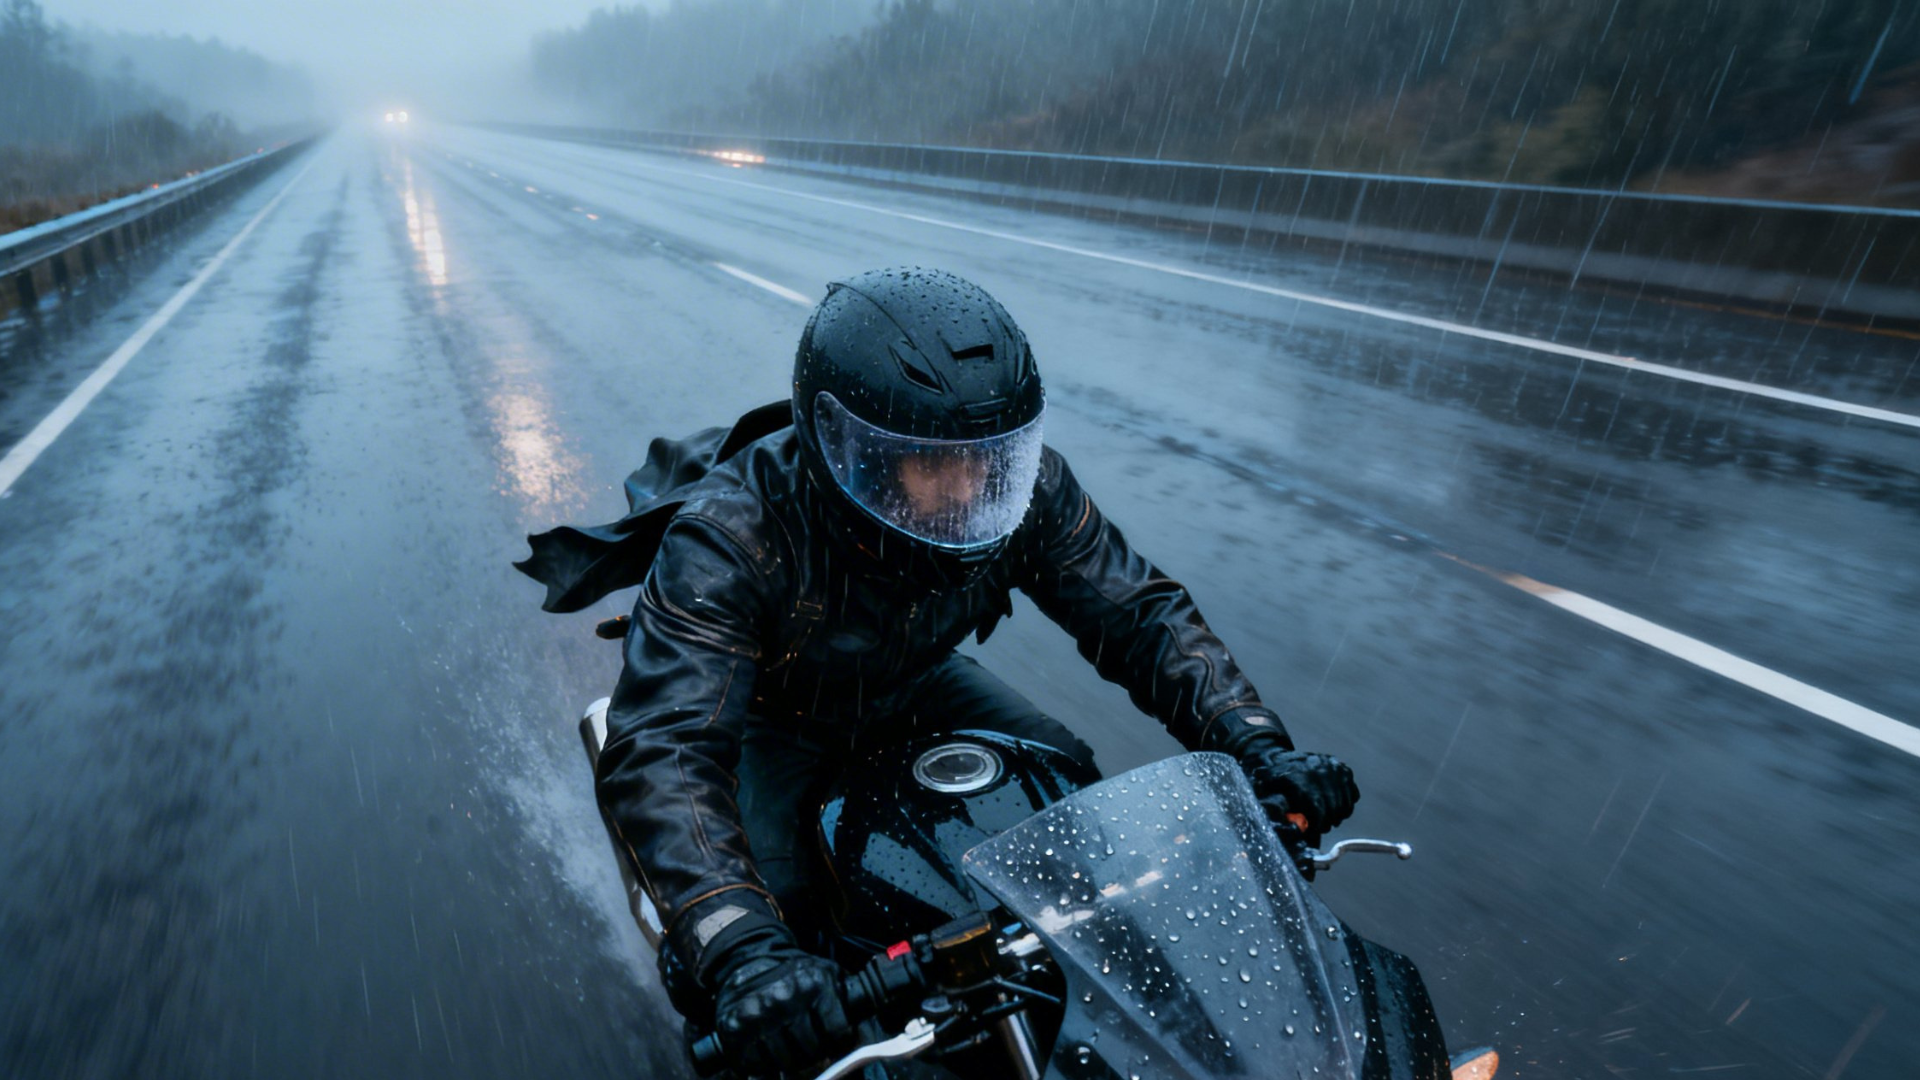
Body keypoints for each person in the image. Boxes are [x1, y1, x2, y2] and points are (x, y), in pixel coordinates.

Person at [516, 267, 1359, 1076]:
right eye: (932, 463)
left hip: (912, 681)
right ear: (843, 448)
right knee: (772, 948)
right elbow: (667, 746)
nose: (968, 489)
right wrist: (738, 950)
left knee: (1073, 791)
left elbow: (1139, 614)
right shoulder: (730, 534)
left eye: (988, 460)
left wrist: (1255, 745)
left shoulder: (1026, 491)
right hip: (770, 715)